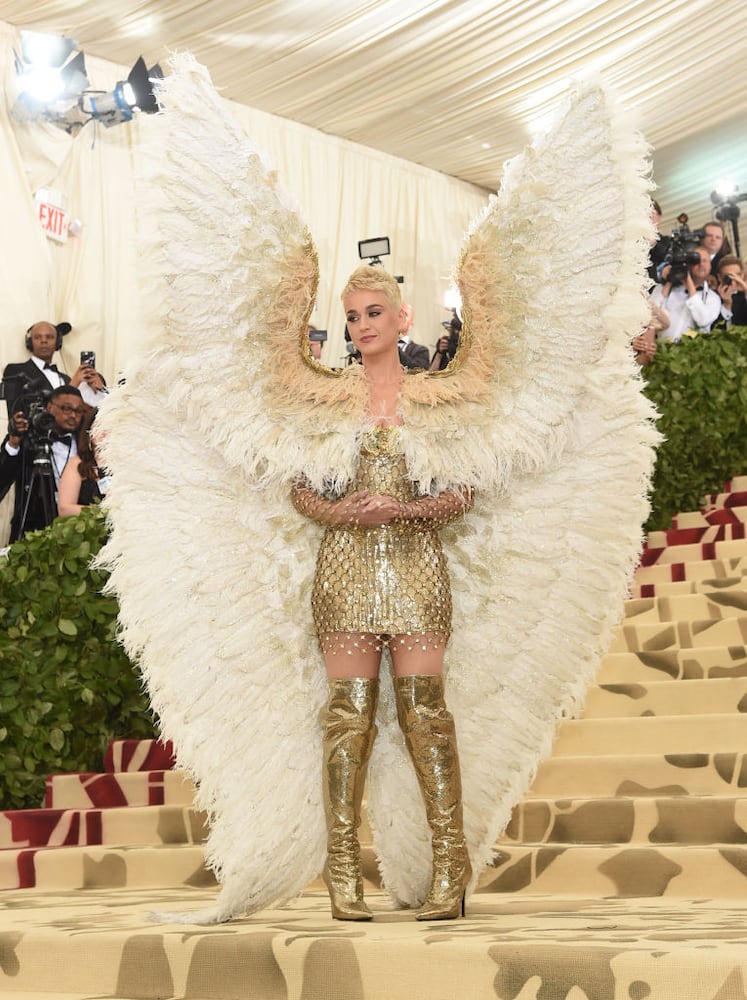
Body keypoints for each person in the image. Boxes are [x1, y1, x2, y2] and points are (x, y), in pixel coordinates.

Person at [290, 266, 473, 920]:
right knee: (348, 720)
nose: (361, 326)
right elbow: (300, 490)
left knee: (427, 717)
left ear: (401, 318)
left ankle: (452, 866)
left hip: (418, 568)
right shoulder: (329, 397)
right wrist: (348, 516)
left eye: (373, 313)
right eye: (352, 317)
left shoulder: (433, 397)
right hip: (344, 572)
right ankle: (343, 873)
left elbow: (463, 492)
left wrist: (400, 511)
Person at [0, 385, 87, 541]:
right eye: (66, 408)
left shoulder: (85, 445)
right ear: (49, 407)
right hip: (32, 534)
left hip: (76, 534)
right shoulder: (27, 440)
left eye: (79, 410)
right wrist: (13, 443)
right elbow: (3, 479)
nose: (73, 415)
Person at [2, 321, 106, 416]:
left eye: (49, 337)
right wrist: (72, 387)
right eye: (38, 337)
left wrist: (101, 391)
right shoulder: (15, 370)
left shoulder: (66, 379)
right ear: (29, 342)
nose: (44, 341)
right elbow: (19, 411)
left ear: (58, 342)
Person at [649, 245, 721, 341]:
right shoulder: (665, 288)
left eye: (705, 261)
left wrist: (690, 285)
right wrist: (669, 281)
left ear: (710, 265)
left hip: (692, 352)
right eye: (696, 261)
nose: (701, 264)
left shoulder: (713, 298)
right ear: (688, 264)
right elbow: (649, 312)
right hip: (662, 349)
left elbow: (703, 320)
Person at [57, 408, 110, 516]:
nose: (104, 432)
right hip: (88, 528)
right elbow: (65, 508)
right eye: (99, 427)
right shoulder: (77, 464)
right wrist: (105, 513)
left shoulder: (127, 465)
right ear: (89, 433)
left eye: (109, 427)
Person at [711, 255, 747, 329]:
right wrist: (726, 305)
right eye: (728, 276)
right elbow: (714, 330)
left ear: (742, 276)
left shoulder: (745, 296)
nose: (734, 279)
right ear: (719, 277)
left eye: (738, 275)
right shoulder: (712, 297)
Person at [397, 303, 430, 370]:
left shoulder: (421, 350)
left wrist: (393, 347)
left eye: (405, 314)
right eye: (397, 313)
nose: (399, 316)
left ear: (411, 325)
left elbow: (419, 370)